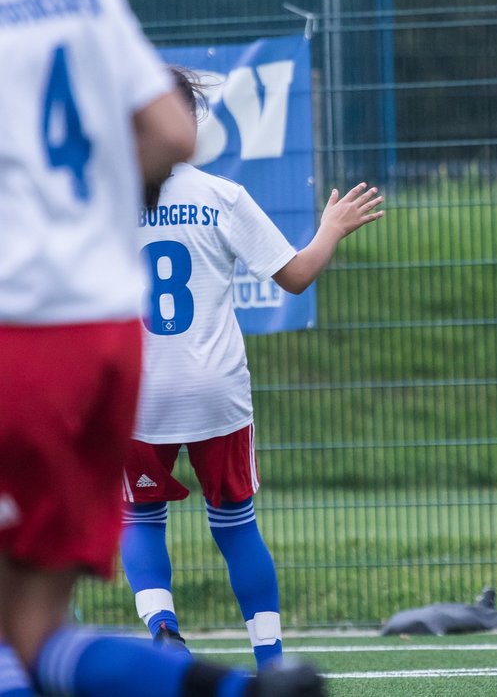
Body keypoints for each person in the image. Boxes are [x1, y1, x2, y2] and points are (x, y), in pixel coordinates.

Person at [0, 0, 321, 695]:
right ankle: (240, 684)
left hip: (16, 333)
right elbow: (171, 138)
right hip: (95, 338)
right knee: (36, 624)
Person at [119, 67, 385, 668]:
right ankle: (270, 659)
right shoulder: (220, 196)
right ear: (188, 128)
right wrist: (331, 229)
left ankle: (163, 626)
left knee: (140, 516)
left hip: (139, 395)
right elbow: (295, 277)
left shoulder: (102, 203)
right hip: (216, 393)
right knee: (236, 524)